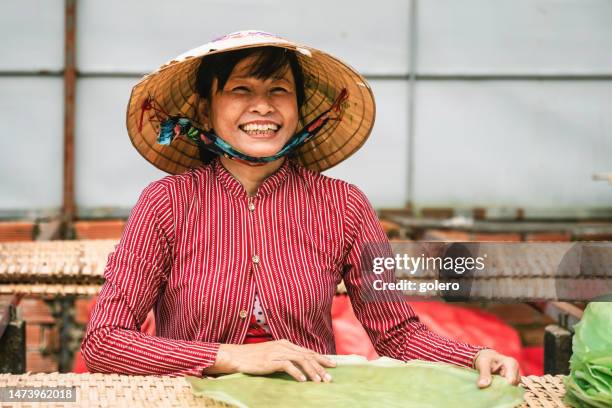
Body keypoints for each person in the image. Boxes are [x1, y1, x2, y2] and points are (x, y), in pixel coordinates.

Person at [81, 30, 519, 388]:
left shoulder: (345, 205)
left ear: (299, 109)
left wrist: (475, 354)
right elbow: (104, 342)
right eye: (240, 90)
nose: (263, 106)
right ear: (205, 109)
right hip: (192, 398)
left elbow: (397, 334)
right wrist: (232, 357)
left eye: (279, 91)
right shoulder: (166, 204)